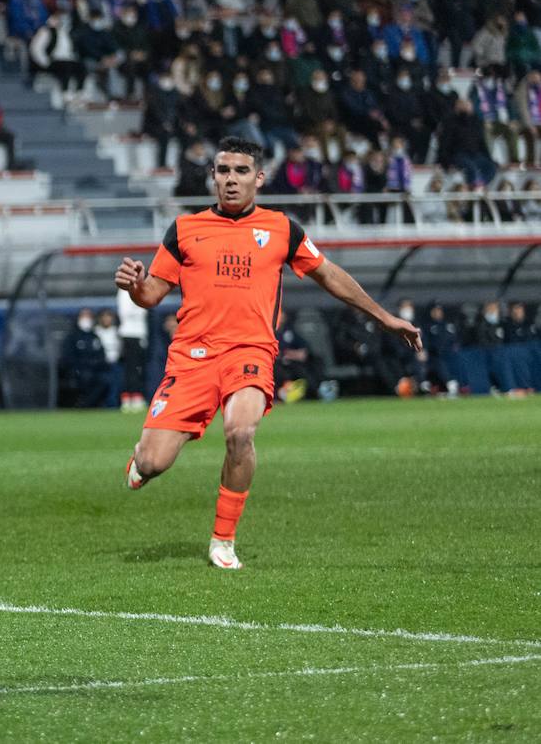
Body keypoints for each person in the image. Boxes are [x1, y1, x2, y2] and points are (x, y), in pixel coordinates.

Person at [114, 136, 419, 569]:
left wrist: (384, 317)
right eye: (223, 171)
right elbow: (151, 296)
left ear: (259, 178)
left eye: (241, 172)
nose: (231, 180)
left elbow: (328, 275)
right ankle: (141, 463)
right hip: (193, 357)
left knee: (241, 433)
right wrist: (135, 284)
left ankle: (223, 539)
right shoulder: (184, 230)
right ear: (213, 177)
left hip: (250, 353)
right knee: (154, 461)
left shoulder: (282, 228)